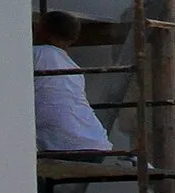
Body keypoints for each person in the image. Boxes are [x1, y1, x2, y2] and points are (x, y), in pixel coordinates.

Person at [32, 9, 114, 156]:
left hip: (62, 145)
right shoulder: (74, 68)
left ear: (41, 29)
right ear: (72, 40)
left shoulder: (34, 54)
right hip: (96, 142)